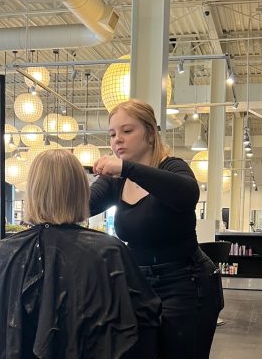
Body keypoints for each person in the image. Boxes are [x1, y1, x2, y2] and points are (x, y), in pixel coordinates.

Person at [0, 149, 161, 359]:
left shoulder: (4, 251)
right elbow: (140, 329)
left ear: (32, 193)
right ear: (81, 191)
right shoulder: (109, 251)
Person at [90, 99, 224, 359]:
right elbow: (80, 204)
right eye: (113, 134)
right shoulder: (116, 182)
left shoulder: (172, 167)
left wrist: (127, 168)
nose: (118, 140)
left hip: (187, 285)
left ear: (150, 134)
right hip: (138, 285)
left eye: (127, 131)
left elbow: (187, 193)